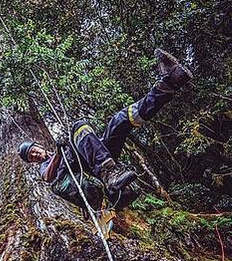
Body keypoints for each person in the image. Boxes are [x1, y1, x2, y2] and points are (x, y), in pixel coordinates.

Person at [18, 49, 193, 211]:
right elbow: (48, 178)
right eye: (31, 157)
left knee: (120, 121)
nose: (35, 155)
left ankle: (168, 83)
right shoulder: (45, 166)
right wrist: (58, 153)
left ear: (38, 146)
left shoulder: (59, 150)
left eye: (34, 151)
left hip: (97, 156)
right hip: (90, 168)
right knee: (78, 127)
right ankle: (109, 173)